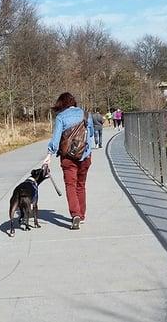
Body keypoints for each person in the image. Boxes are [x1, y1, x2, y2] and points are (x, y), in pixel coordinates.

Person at [43, 92, 94, 230]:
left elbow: (55, 139)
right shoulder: (86, 114)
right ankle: (82, 215)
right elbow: (91, 134)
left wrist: (49, 155)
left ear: (61, 104)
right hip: (85, 155)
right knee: (81, 185)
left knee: (70, 185)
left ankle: (75, 214)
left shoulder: (61, 117)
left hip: (68, 158)